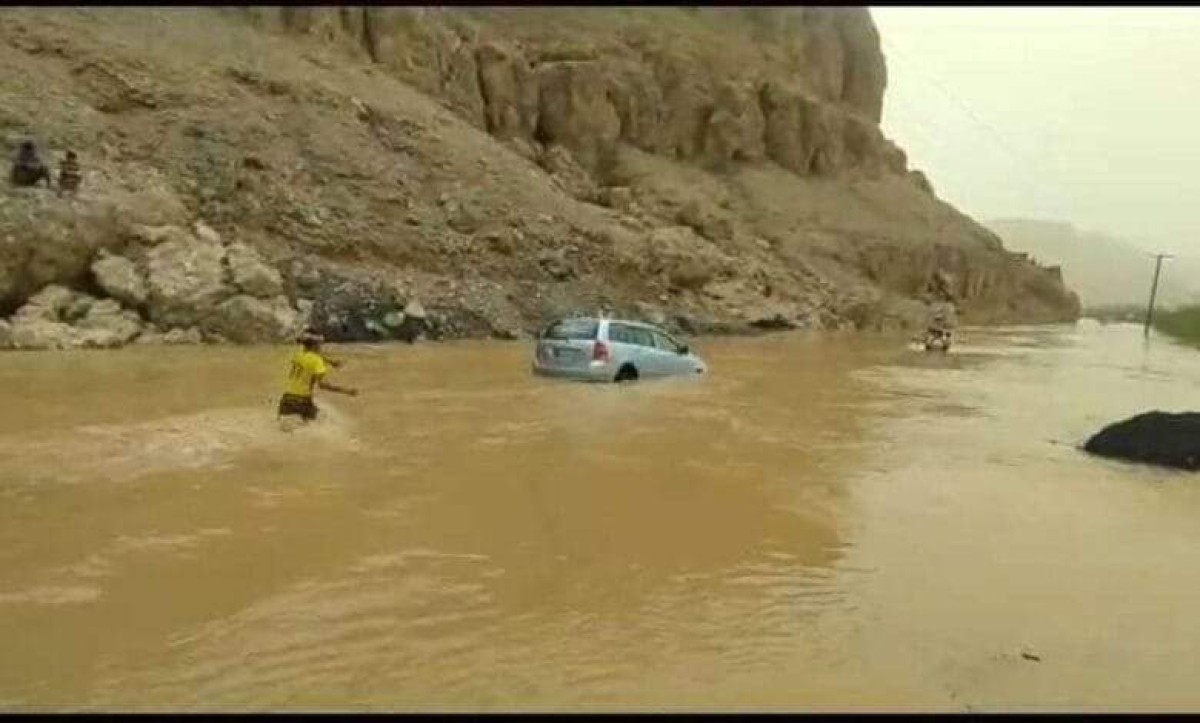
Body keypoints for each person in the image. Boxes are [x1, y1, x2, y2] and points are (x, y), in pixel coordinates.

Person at [277, 330, 358, 424]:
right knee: (328, 424)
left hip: (286, 400)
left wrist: (331, 362)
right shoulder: (316, 361)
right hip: (302, 402)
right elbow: (323, 385)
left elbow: (312, 356)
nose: (321, 347)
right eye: (320, 344)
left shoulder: (298, 355)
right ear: (314, 345)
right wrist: (346, 391)